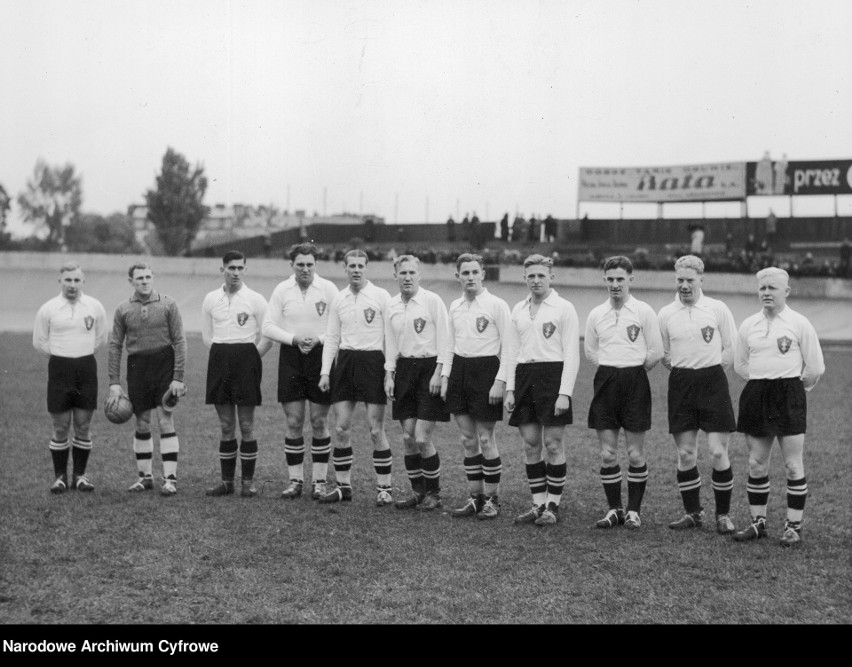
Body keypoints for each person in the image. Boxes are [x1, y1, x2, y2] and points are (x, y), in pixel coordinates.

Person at [732, 267, 825, 547]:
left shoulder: (799, 323)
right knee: (756, 462)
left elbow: (815, 367)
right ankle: (758, 524)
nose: (766, 293)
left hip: (789, 394)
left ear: (786, 291)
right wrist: (763, 382)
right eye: (762, 288)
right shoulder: (749, 324)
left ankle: (792, 526)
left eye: (772, 288)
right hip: (757, 394)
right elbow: (740, 365)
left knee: (792, 464)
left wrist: (796, 389)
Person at [657, 255, 738, 534]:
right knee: (686, 452)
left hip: (713, 381)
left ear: (701, 280)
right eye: (680, 280)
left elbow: (730, 348)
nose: (684, 285)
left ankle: (723, 515)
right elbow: (664, 354)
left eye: (690, 280)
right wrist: (685, 371)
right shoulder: (666, 313)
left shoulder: (717, 309)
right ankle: (693, 513)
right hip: (681, 384)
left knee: (717, 451)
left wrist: (710, 370)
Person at [584, 256, 663, 529]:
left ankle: (633, 511)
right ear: (604, 280)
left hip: (635, 382)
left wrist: (631, 370)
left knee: (634, 453)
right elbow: (591, 352)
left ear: (631, 279)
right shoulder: (596, 314)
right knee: (607, 453)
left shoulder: (643, 311)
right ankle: (614, 509)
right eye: (610, 279)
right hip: (605, 381)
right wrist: (612, 368)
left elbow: (655, 352)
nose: (615, 284)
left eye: (620, 279)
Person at [505, 254, 580, 526]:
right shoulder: (518, 309)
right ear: (524, 278)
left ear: (551, 276)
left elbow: (572, 354)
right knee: (531, 444)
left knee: (553, 443)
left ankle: (553, 506)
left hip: (552, 378)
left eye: (541, 275)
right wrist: (511, 389)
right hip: (525, 377)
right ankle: (537, 504)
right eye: (531, 276)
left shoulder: (563, 308)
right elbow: (512, 352)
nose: (536, 280)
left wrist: (565, 393)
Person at [317, 249, 394, 505]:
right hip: (346, 362)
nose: (357, 269)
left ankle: (384, 488)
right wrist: (326, 371)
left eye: (361, 265)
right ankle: (343, 487)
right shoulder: (339, 299)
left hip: (373, 363)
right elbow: (331, 338)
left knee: (375, 430)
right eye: (352, 265)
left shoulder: (381, 296)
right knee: (340, 427)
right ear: (345, 268)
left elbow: (390, 338)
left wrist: (389, 372)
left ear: (367, 268)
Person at [263, 243, 339, 500]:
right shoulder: (282, 290)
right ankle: (295, 480)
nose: (305, 269)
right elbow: (268, 326)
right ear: (292, 266)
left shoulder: (328, 288)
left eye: (309, 264)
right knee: (294, 421)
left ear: (315, 265)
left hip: (321, 357)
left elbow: (338, 326)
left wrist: (317, 339)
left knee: (319, 421)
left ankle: (319, 482)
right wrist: (293, 339)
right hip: (291, 356)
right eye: (300, 264)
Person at [440, 253, 511, 520]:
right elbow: (449, 345)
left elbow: (508, 348)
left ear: (483, 273)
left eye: (474, 272)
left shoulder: (497, 305)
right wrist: (446, 376)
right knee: (468, 440)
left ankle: (492, 500)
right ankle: (475, 497)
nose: (470, 277)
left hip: (486, 373)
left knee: (485, 438)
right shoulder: (455, 306)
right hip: (460, 371)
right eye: (465, 273)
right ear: (457, 276)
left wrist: (500, 381)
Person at [107, 262, 187, 496]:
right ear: (130, 280)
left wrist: (178, 377)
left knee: (165, 421)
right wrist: (114, 382)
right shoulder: (123, 309)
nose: (144, 281)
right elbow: (114, 345)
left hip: (164, 364)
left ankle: (170, 479)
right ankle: (145, 478)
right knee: (142, 422)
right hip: (137, 366)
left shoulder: (168, 304)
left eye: (148, 277)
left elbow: (180, 341)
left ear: (153, 278)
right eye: (139, 277)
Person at [202, 251, 273, 498]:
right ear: (222, 269)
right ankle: (226, 482)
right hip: (220, 360)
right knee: (226, 425)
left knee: (246, 425)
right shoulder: (211, 299)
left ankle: (248, 482)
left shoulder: (255, 299)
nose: (235, 272)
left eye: (240, 268)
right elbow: (207, 336)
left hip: (246, 363)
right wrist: (224, 358)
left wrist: (250, 359)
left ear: (245, 269)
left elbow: (267, 337)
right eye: (231, 268)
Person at [33, 262, 108, 493]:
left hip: (86, 367)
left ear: (83, 281)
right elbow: (39, 342)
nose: (72, 285)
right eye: (68, 280)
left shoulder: (94, 306)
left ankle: (80, 476)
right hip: (59, 369)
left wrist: (79, 354)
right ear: (60, 282)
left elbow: (101, 338)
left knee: (83, 424)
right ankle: (60, 478)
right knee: (61, 426)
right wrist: (63, 356)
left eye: (76, 280)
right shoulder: (48, 309)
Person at [384, 254, 450, 510]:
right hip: (403, 370)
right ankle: (418, 492)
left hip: (429, 369)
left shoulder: (432, 301)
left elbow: (446, 339)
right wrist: (389, 375)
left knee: (422, 437)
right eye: (403, 273)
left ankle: (434, 493)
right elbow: (390, 342)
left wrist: (440, 372)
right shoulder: (391, 305)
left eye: (412, 273)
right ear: (396, 276)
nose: (408, 277)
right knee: (408, 437)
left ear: (419, 275)